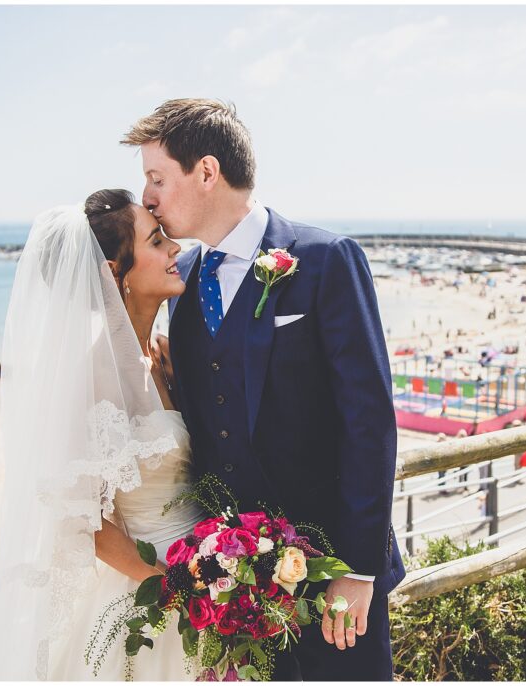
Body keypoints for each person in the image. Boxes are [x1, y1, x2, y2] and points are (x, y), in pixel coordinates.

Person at [126, 98, 405, 681]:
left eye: (156, 178)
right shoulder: (189, 284)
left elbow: (369, 423)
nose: (148, 196)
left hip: (334, 577)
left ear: (206, 172)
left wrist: (357, 569)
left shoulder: (326, 260)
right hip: (234, 592)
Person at [0, 191, 202, 680]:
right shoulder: (90, 376)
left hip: (208, 571)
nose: (175, 249)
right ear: (112, 273)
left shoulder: (164, 351)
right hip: (152, 590)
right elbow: (83, 522)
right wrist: (172, 589)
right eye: (157, 241)